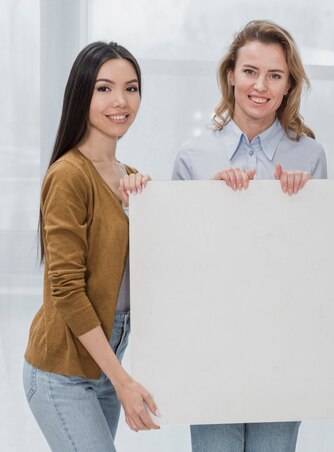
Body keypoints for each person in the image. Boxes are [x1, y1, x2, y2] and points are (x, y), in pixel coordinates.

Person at [172, 20, 327, 452]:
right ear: (230, 76)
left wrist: (301, 205)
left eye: (274, 75)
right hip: (211, 348)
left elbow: (319, 262)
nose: (260, 85)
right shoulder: (192, 157)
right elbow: (176, 263)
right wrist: (210, 205)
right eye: (250, 71)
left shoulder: (311, 156)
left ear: (288, 86)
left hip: (283, 348)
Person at [23, 42, 159, 451]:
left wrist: (147, 209)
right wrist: (123, 380)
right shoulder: (69, 175)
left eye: (131, 88)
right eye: (104, 88)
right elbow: (66, 290)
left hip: (104, 364)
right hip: (62, 372)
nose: (120, 101)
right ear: (82, 94)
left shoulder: (130, 177)